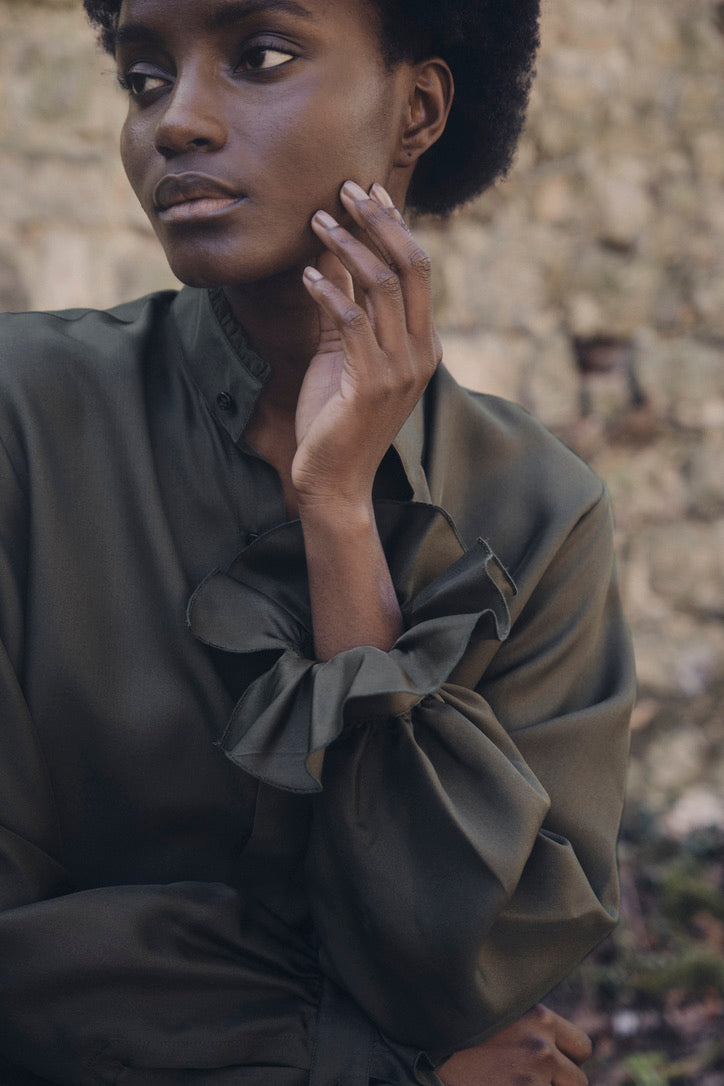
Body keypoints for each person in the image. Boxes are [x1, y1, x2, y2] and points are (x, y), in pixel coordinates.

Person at [0, 0, 635, 1083]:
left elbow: (467, 964)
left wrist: (338, 512)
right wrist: (370, 1067)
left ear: (417, 109)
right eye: (144, 78)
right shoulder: (23, 417)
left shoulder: (540, 513)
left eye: (258, 56)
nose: (176, 124)